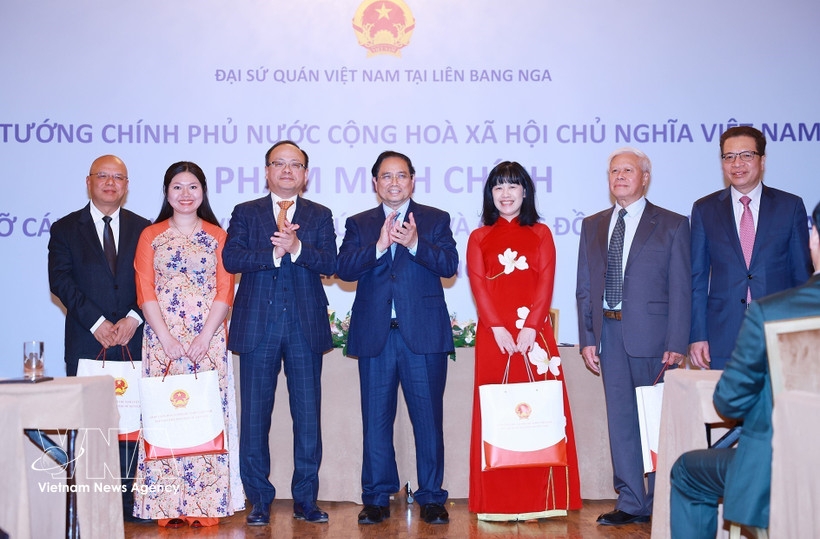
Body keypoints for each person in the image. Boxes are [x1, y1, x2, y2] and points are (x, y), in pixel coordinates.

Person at [671, 200, 820, 538]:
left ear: (813, 240)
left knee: (686, 473)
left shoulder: (772, 314)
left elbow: (729, 402)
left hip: (782, 466)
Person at [336, 150, 458, 526]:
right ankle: (375, 497)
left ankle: (432, 497)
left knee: (428, 420)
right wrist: (380, 246)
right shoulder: (360, 223)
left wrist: (415, 244)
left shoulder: (435, 219)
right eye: (385, 176)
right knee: (375, 421)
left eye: (400, 176)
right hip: (377, 337)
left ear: (412, 180)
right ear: (375, 184)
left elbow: (449, 266)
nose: (393, 182)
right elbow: (344, 269)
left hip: (422, 336)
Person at [223, 140, 337, 526]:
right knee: (255, 417)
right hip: (258, 328)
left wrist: (298, 246)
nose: (287, 170)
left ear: (306, 174)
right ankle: (259, 498)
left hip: (305, 327)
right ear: (267, 171)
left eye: (295, 165)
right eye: (279, 164)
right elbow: (232, 258)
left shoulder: (319, 215)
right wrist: (274, 253)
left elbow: (332, 263)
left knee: (308, 417)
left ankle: (306, 498)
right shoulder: (245, 212)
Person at [576, 147, 691, 526]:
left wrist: (677, 341)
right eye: (614, 171)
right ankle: (630, 501)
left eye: (628, 170)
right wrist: (588, 336)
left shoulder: (672, 224)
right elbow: (585, 286)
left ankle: (659, 501)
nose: (620, 176)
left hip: (655, 339)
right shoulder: (592, 224)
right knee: (622, 420)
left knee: (656, 420)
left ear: (645, 177)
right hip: (608, 333)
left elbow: (681, 288)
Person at [466, 161, 582, 520]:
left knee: (541, 413)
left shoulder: (542, 233)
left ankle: (543, 500)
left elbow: (546, 282)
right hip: (494, 338)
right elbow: (478, 284)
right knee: (497, 414)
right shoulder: (478, 237)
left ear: (526, 192)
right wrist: (498, 327)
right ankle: (497, 503)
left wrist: (531, 326)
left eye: (512, 186)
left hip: (536, 340)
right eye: (498, 187)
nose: (505, 194)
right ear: (490, 194)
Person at [132, 161, 243, 528]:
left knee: (204, 415)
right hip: (161, 340)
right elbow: (145, 289)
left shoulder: (218, 236)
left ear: (203, 192)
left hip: (206, 340)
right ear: (166, 192)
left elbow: (225, 290)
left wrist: (205, 336)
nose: (184, 194)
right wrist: (165, 336)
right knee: (166, 416)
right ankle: (166, 506)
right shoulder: (151, 235)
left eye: (192, 186)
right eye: (177, 187)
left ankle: (204, 504)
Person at [47, 154, 152, 523]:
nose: (110, 183)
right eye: (103, 176)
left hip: (133, 339)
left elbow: (151, 281)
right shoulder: (64, 229)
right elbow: (61, 281)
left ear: (127, 185)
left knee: (132, 423)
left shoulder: (145, 228)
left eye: (118, 177)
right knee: (92, 424)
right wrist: (96, 322)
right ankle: (94, 506)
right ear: (89, 182)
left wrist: (134, 318)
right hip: (86, 340)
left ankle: (130, 503)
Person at [689, 126, 811, 370]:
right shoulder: (705, 209)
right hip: (722, 335)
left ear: (762, 160)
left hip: (778, 331)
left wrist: (803, 333)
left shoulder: (790, 206)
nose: (737, 163)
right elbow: (697, 279)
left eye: (746, 155)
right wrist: (697, 335)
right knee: (726, 407)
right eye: (729, 156)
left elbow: (801, 278)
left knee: (778, 407)